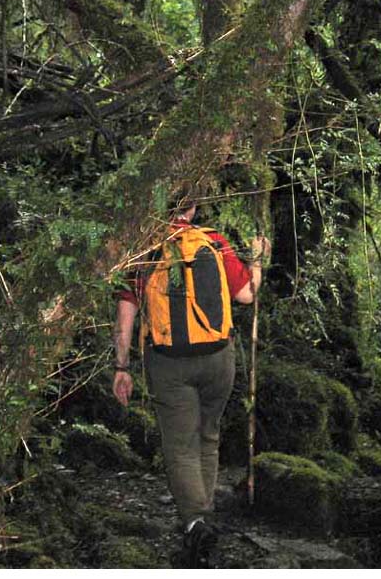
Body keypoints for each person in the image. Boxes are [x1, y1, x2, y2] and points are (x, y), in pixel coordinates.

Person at [112, 193, 270, 566]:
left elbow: (125, 315)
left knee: (180, 445)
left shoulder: (144, 251)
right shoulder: (214, 242)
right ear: (193, 208)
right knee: (208, 435)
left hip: (168, 362)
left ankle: (195, 521)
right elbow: (247, 294)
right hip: (219, 357)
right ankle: (203, 514)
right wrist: (258, 260)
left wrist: (121, 367)